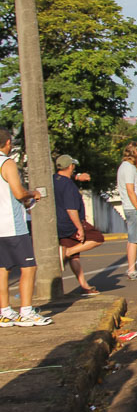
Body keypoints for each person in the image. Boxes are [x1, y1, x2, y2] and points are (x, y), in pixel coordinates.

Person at [0, 128, 50, 327]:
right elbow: (19, 193)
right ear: (8, 143)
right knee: (29, 267)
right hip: (13, 224)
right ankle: (26, 311)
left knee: (3, 268)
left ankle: (5, 311)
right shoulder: (7, 162)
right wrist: (33, 194)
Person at [53, 155, 104, 295]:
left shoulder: (53, 180)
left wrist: (77, 177)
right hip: (71, 223)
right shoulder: (68, 185)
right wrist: (79, 227)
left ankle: (84, 286)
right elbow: (71, 209)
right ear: (70, 166)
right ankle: (66, 252)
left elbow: (63, 178)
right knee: (97, 238)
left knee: (75, 255)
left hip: (58, 223)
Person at [117, 141, 137, 280]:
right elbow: (130, 191)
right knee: (134, 239)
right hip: (132, 207)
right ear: (135, 152)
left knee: (132, 239)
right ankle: (132, 270)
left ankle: (132, 267)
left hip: (130, 206)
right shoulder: (129, 168)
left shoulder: (124, 167)